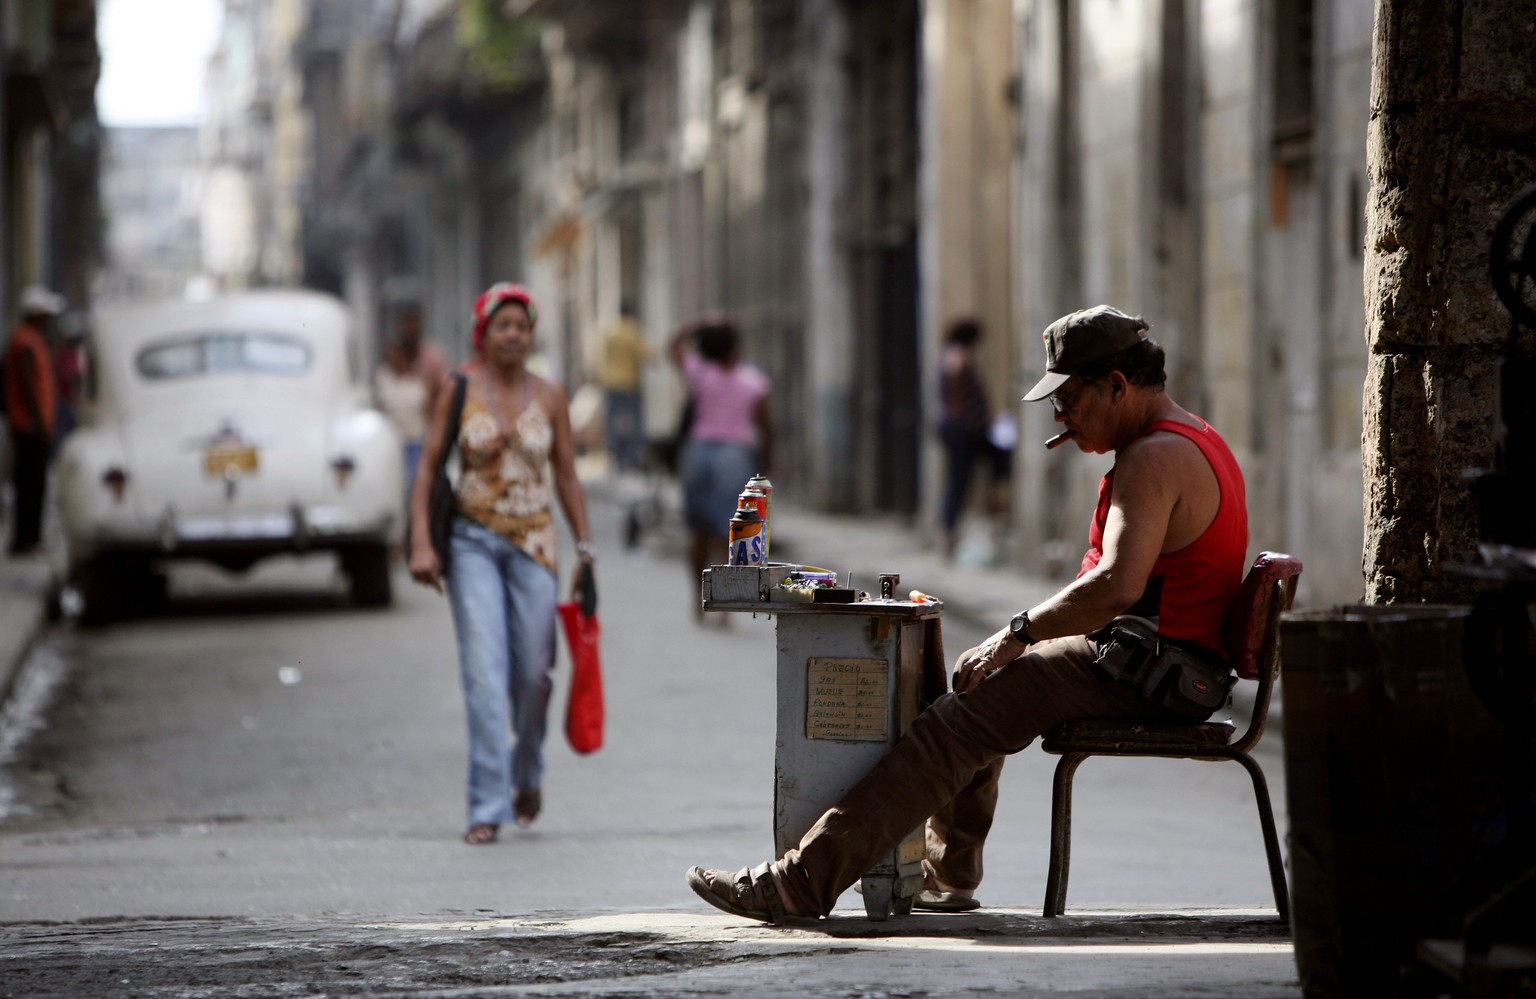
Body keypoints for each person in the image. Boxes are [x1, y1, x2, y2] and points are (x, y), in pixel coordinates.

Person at [685, 305, 1249, 921]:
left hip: (1153, 674)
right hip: (1161, 666)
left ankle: (801, 882)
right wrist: (1012, 644)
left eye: (1069, 399)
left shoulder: (1153, 458)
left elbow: (1115, 585)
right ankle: (948, 874)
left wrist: (1018, 634)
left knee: (954, 723)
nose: (1061, 417)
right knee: (976, 679)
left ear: (1116, 385)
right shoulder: (1191, 438)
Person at [407, 282, 595, 845]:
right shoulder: (458, 387)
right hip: (471, 543)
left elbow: (565, 474)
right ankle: (486, 805)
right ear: (483, 334)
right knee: (485, 675)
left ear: (532, 335)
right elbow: (426, 471)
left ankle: (527, 773)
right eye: (502, 325)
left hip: (535, 545)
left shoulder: (553, 395)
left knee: (535, 674)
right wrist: (422, 540)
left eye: (522, 325)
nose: (513, 334)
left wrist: (585, 547)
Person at [669, 316, 772, 621]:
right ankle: (725, 605)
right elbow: (767, 427)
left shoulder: (700, 373)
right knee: (728, 531)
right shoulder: (753, 380)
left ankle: (698, 599)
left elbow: (673, 347)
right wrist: (767, 465)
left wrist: (696, 324)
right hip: (735, 455)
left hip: (698, 453)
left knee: (697, 529)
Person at [937, 317, 1011, 562]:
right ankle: (952, 536)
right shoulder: (958, 356)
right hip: (964, 431)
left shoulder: (951, 355)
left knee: (963, 479)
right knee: (959, 481)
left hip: (963, 429)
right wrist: (971, 420)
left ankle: (987, 512)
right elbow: (958, 389)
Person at [3, 286, 64, 555]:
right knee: (30, 484)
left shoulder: (29, 340)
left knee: (32, 484)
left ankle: (28, 538)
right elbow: (28, 387)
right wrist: (40, 423)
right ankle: (26, 539)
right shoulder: (25, 342)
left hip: (29, 425)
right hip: (29, 426)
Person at [373, 306, 449, 508]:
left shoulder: (431, 359)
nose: (411, 329)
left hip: (420, 437)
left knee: (417, 486)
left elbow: (441, 393)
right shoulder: (386, 377)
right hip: (395, 440)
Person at [597, 300, 653, 472]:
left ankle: (614, 456)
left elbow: (602, 355)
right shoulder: (632, 330)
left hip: (611, 382)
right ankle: (631, 457)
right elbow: (644, 354)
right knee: (634, 421)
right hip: (629, 382)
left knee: (612, 420)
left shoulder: (611, 331)